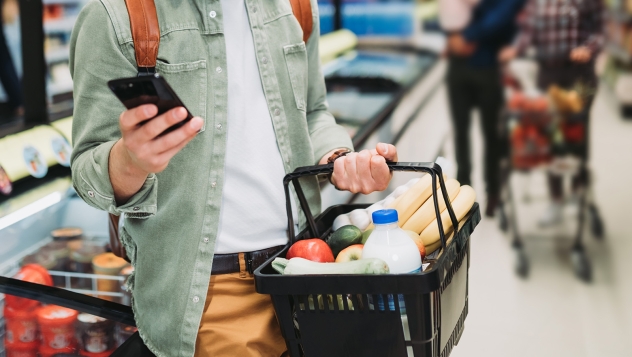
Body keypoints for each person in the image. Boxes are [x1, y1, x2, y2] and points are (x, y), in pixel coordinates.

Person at [69, 0, 398, 356]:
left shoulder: (296, 5)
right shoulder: (116, 15)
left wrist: (339, 158)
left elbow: (313, 111)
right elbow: (88, 171)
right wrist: (131, 160)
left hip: (310, 269)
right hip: (211, 296)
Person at [501, 0, 604, 226]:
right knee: (551, 136)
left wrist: (588, 48)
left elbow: (600, 32)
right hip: (549, 75)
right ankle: (556, 199)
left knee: (577, 134)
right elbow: (528, 30)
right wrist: (515, 49)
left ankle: (578, 192)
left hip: (580, 75)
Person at [442, 0, 527, 218]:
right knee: (461, 132)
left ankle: (493, 191)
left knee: (492, 133)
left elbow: (500, 16)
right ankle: (463, 191)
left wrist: (465, 36)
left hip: (488, 66)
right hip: (458, 67)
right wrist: (452, 36)